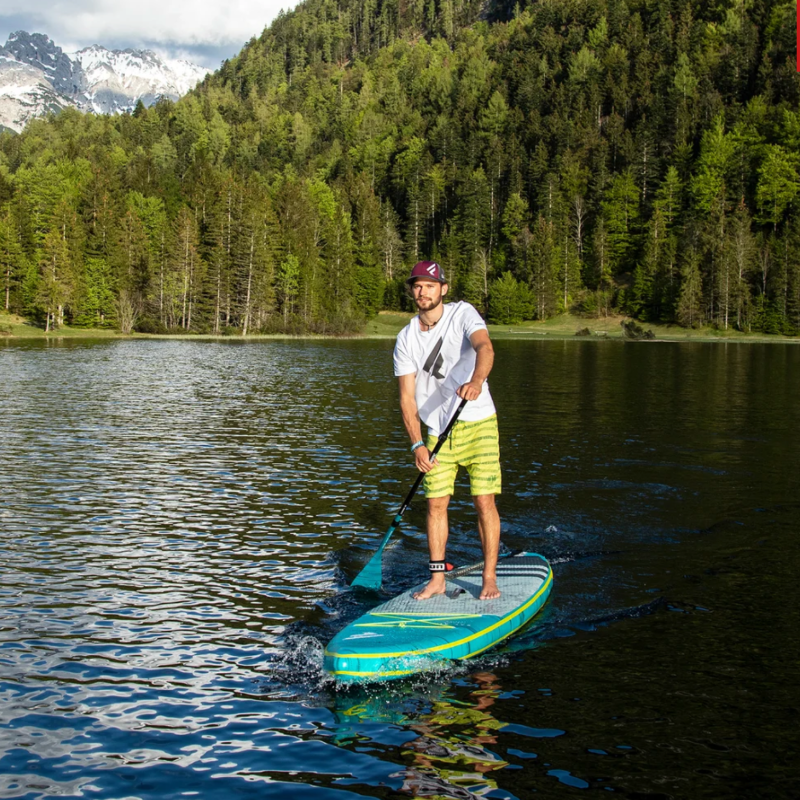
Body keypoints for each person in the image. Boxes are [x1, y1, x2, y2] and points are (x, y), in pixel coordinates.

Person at [393, 261, 502, 601]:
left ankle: (488, 577)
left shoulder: (463, 313)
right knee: (436, 505)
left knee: (483, 501)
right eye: (417, 285)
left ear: (443, 288)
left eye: (429, 284)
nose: (422, 291)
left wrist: (476, 381)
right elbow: (407, 399)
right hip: (436, 431)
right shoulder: (406, 338)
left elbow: (485, 348)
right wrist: (416, 446)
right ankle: (437, 579)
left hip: (479, 420)